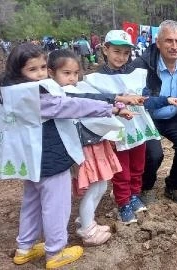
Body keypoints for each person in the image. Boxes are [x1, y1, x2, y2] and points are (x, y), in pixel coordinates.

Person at [0, 43, 122, 268]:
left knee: (31, 204)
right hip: (51, 160)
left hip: (31, 161)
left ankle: (24, 248)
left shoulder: (9, 90)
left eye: (43, 67)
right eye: (32, 70)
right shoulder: (38, 95)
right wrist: (108, 107)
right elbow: (71, 106)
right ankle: (55, 252)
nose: (41, 74)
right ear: (18, 71)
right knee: (56, 206)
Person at [85, 30, 177, 223]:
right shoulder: (96, 80)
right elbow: (94, 106)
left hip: (138, 129)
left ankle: (134, 195)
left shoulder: (136, 75)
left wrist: (165, 100)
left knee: (138, 166)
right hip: (116, 132)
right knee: (121, 169)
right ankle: (123, 202)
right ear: (105, 50)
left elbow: (145, 100)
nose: (121, 57)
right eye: (116, 51)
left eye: (125, 53)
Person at [46, 49, 128, 246]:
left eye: (75, 73)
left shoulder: (72, 90)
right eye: (66, 73)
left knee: (100, 185)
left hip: (95, 143)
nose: (72, 79)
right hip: (85, 147)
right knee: (96, 186)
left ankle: (86, 219)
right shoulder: (59, 95)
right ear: (51, 73)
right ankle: (88, 229)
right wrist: (115, 100)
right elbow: (88, 99)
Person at [132, 20, 177, 205]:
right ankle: (145, 188)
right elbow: (131, 94)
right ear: (158, 42)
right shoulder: (141, 65)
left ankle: (174, 186)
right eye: (169, 41)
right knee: (154, 154)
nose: (174, 46)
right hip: (147, 118)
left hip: (174, 116)